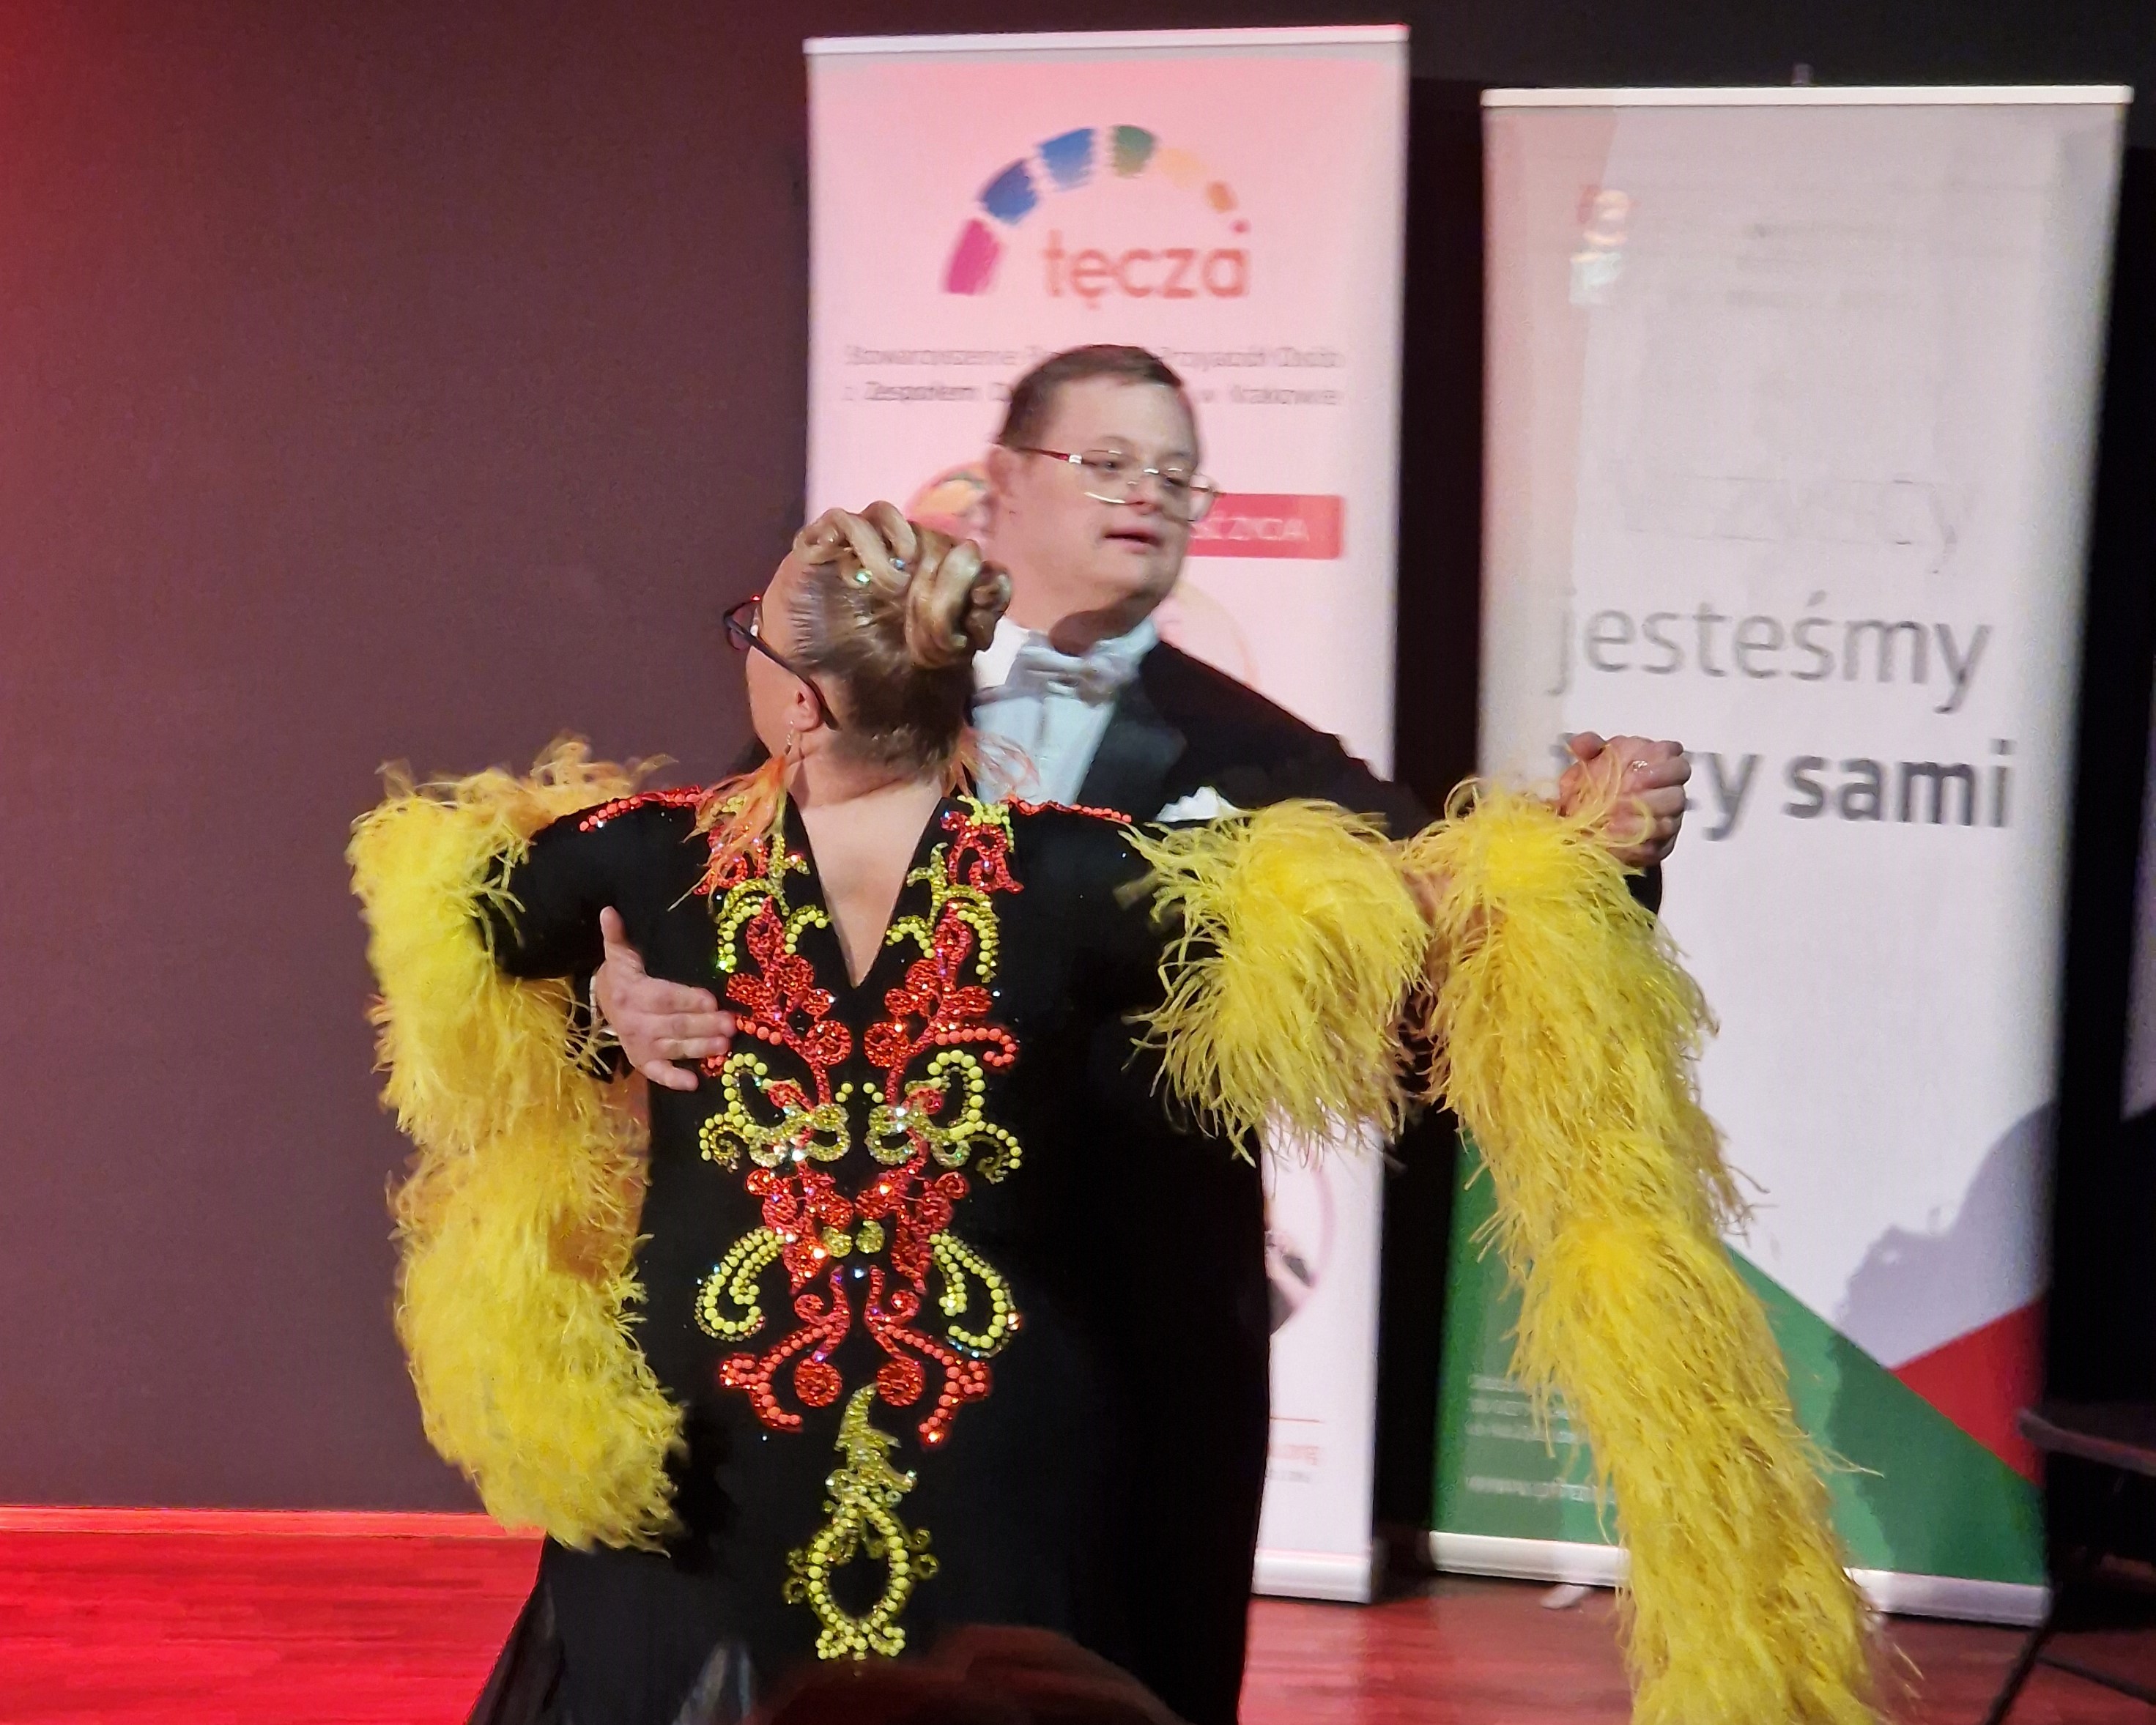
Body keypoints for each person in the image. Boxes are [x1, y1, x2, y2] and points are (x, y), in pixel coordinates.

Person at [352, 503, 1875, 1725]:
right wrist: (1589, 851)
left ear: (798, 701)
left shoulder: (642, 857)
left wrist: (599, 995)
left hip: (711, 1437)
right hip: (998, 1436)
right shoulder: (1082, 873)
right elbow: (1420, 936)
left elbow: (453, 925)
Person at [585, 346, 1691, 1721]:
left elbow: (1453, 969)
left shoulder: (1271, 762)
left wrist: (1596, 861)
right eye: (1106, 462)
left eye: (1178, 473)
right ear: (999, 483)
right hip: (786, 1347)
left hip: (1111, 1363)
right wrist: (616, 1003)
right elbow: (666, 921)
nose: (1149, 494)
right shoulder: (849, 697)